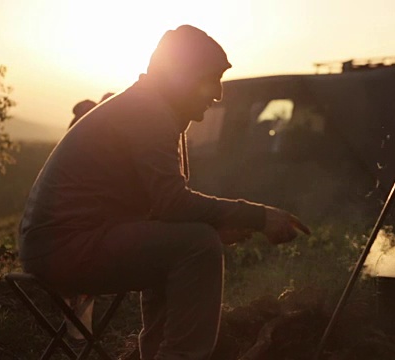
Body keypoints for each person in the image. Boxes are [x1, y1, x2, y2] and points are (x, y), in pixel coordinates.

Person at [18, 24, 310, 359]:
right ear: (182, 77)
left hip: (63, 243)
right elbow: (173, 203)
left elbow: (161, 209)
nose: (218, 94)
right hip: (63, 248)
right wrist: (259, 216)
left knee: (186, 240)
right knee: (197, 246)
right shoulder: (148, 112)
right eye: (210, 79)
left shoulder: (152, 109)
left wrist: (214, 225)